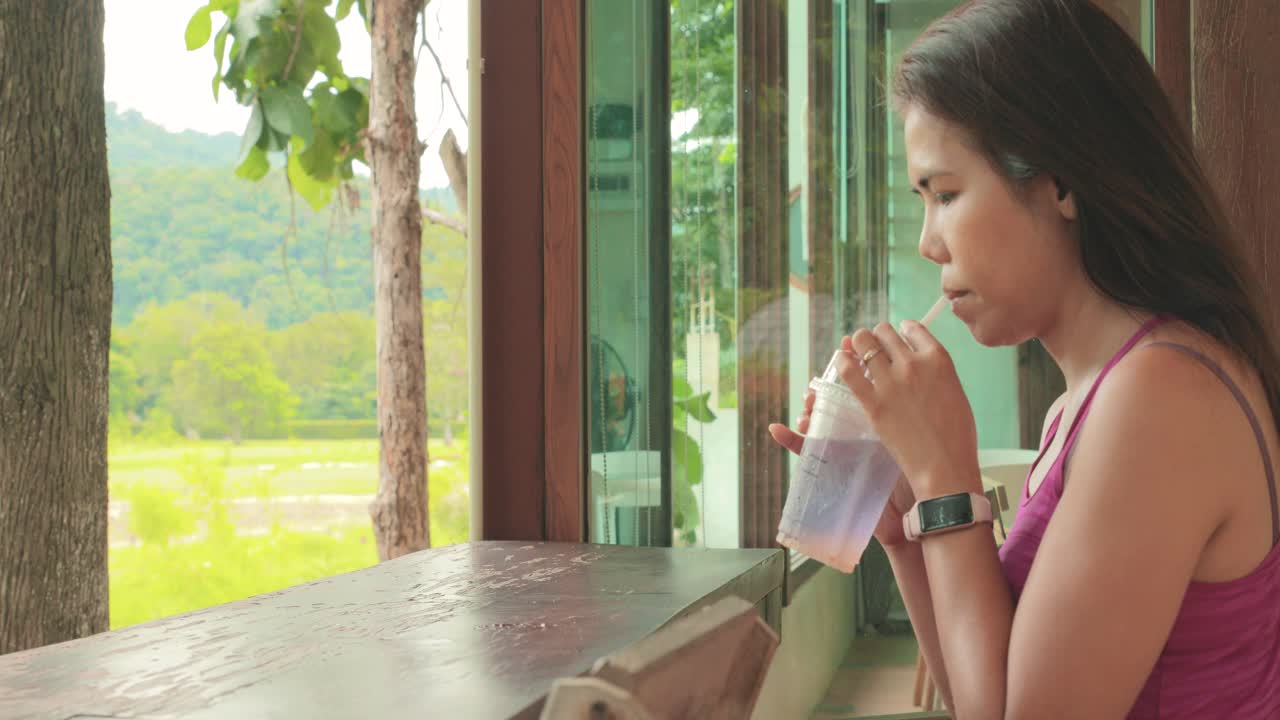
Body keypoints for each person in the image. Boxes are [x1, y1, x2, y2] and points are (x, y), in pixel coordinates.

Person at [768, 1, 1279, 717]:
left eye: (944, 194)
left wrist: (949, 473)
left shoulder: (1163, 398)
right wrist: (907, 521)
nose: (929, 242)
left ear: (1060, 182)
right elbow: (981, 695)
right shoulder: (1085, 401)